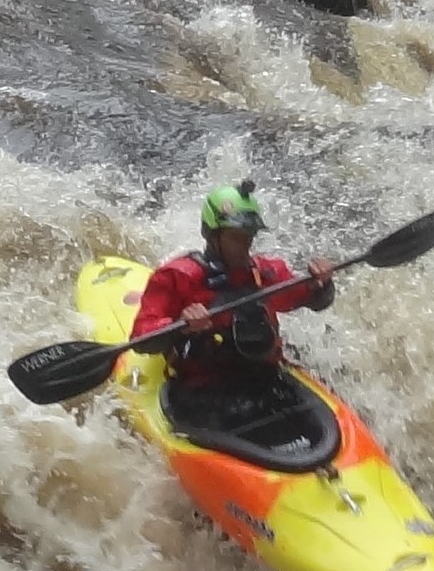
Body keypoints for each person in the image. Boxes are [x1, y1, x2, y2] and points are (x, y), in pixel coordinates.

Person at [129, 180, 336, 435]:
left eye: (249, 236)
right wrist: (179, 325)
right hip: (202, 392)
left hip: (262, 381)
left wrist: (321, 283)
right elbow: (141, 338)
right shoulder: (177, 277)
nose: (245, 245)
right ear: (213, 235)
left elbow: (313, 300)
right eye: (236, 237)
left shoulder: (264, 272)